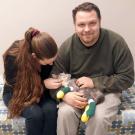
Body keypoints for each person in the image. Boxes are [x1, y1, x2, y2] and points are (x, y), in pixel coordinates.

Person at [50, 2, 134, 135]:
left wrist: (94, 82)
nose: (87, 29)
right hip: (77, 90)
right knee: (65, 113)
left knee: (98, 117)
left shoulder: (116, 42)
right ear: (75, 26)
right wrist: (65, 95)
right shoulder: (67, 46)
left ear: (100, 22)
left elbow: (127, 77)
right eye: (81, 24)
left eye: (92, 23)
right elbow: (53, 79)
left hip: (107, 92)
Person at [3, 27, 62, 135]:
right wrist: (43, 84)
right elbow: (17, 87)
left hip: (39, 91)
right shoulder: (13, 57)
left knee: (51, 110)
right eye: (47, 63)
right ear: (34, 57)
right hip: (16, 93)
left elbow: (47, 74)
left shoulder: (46, 56)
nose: (51, 65)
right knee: (35, 114)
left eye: (52, 61)